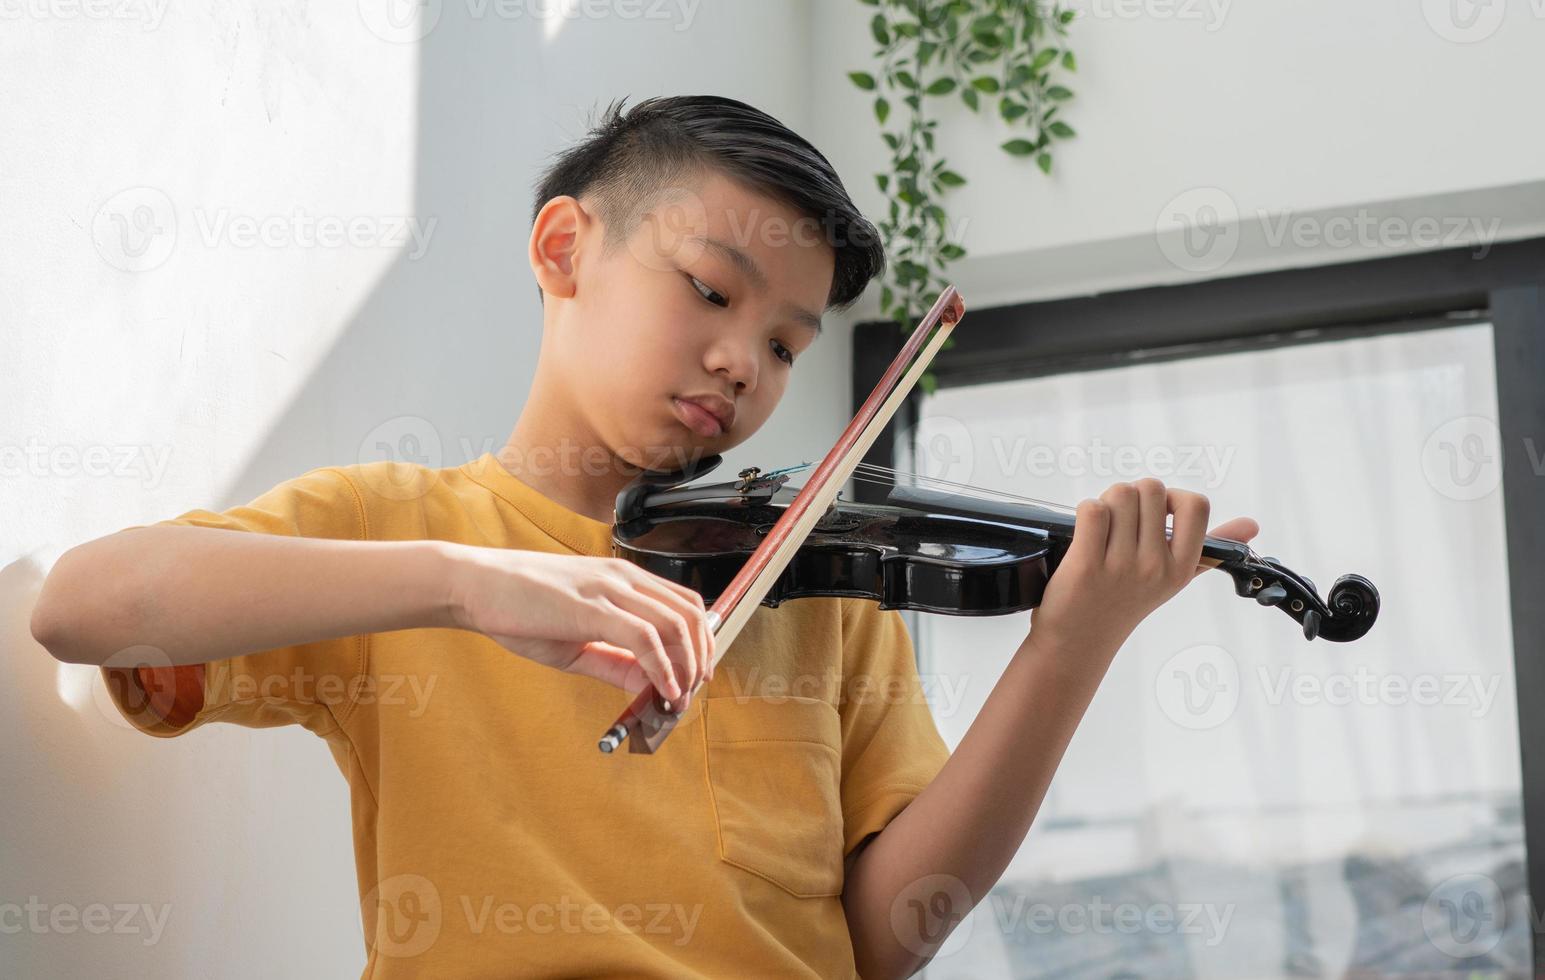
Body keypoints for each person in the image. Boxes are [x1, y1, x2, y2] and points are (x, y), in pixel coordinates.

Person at [31, 94, 1257, 979]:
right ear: (566, 250)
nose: (743, 362)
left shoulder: (819, 595)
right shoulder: (401, 530)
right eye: (712, 292)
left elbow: (888, 935)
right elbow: (84, 603)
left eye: (785, 345)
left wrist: (1069, 650)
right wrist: (466, 586)